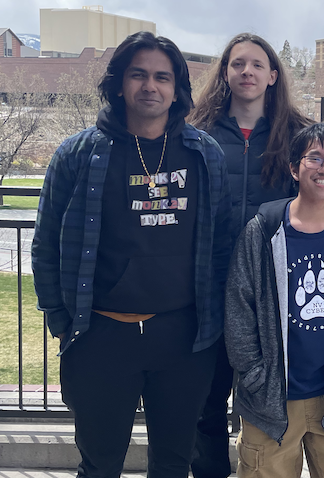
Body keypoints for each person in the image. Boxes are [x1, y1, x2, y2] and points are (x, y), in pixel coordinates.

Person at [31, 31, 232, 477]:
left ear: (178, 87)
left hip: (184, 339)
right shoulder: (78, 155)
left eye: (163, 77)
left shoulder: (206, 155)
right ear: (119, 83)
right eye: (138, 74)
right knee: (100, 466)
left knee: (174, 464)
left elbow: (223, 245)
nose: (150, 86)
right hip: (100, 336)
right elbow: (45, 245)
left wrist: (214, 324)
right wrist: (61, 321)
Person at [188, 32, 312, 478]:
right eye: (238, 64)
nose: (247, 72)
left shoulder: (297, 135)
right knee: (205, 403)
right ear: (225, 72)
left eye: (257, 65)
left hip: (271, 294)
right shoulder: (195, 131)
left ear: (273, 76)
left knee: (265, 405)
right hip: (206, 287)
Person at [224, 122, 324, 478]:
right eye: (315, 158)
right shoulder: (262, 231)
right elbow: (239, 310)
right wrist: (257, 379)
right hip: (271, 404)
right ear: (294, 168)